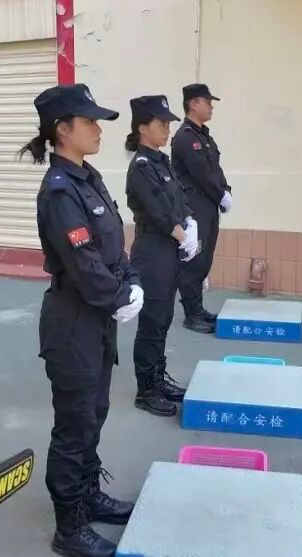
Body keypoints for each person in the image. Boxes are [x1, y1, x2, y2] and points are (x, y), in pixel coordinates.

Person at [23, 84, 142, 557]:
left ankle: (88, 493)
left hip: (97, 317)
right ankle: (69, 525)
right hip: (74, 320)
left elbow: (113, 246)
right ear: (62, 129)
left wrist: (130, 282)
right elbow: (83, 262)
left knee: (95, 411)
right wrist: (117, 297)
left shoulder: (88, 178)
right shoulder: (59, 191)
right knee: (74, 424)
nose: (98, 129)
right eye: (89, 121)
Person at [122, 95, 197, 417]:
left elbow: (179, 199)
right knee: (152, 321)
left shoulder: (161, 162)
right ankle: (146, 389)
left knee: (164, 317)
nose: (167, 129)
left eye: (168, 124)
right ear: (143, 127)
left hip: (170, 250)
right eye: (161, 124)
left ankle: (158, 377)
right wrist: (183, 236)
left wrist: (190, 221)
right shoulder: (141, 167)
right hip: (153, 250)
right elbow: (157, 211)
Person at [171, 83, 232, 333]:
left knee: (204, 258)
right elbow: (201, 173)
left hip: (208, 204)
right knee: (194, 260)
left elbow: (215, 169)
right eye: (208, 102)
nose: (211, 107)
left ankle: (198, 309)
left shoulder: (203, 136)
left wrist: (226, 191)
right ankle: (191, 314)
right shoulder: (185, 137)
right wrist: (220, 194)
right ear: (193, 103)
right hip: (194, 205)